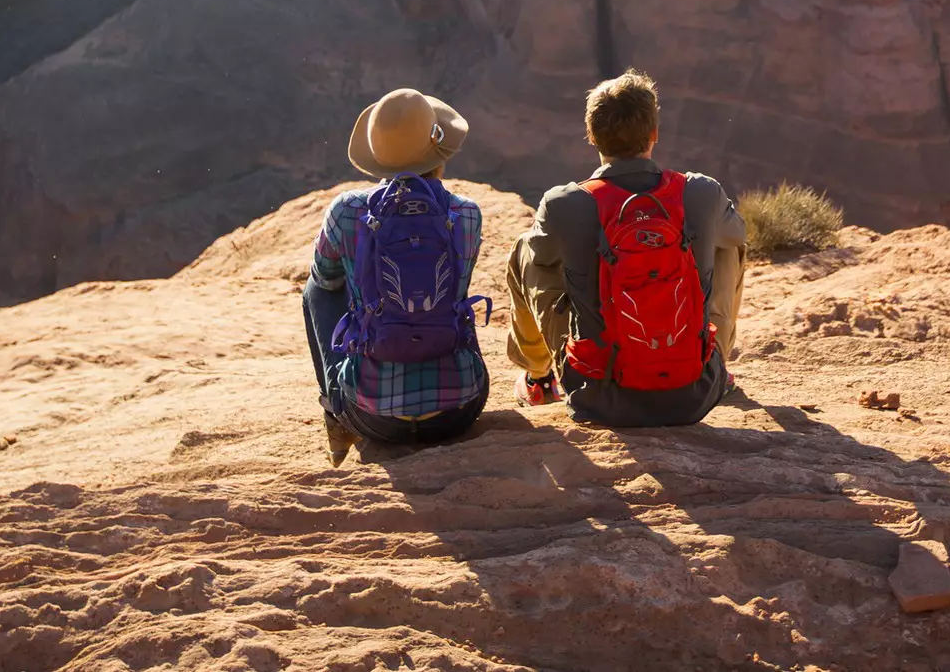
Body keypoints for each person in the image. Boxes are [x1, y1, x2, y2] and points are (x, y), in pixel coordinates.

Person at [504, 68, 746, 426]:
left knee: (527, 249)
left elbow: (543, 258)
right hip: (695, 392)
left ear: (592, 137)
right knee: (727, 243)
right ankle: (715, 363)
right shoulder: (701, 191)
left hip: (599, 396)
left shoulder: (564, 203)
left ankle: (538, 379)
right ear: (654, 133)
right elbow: (738, 235)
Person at [303, 87, 490, 465]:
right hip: (459, 410)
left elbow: (325, 281)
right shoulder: (466, 213)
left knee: (317, 288)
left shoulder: (346, 210)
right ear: (439, 152)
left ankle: (336, 417)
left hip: (372, 417)